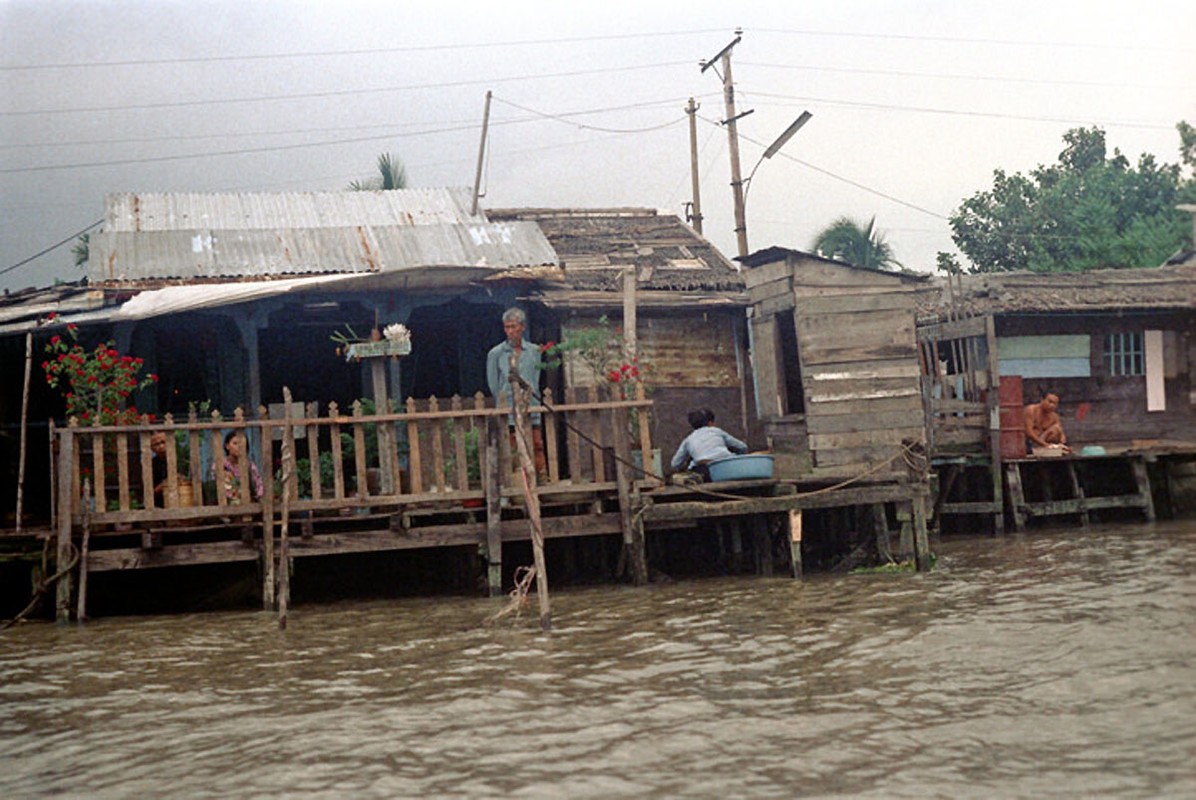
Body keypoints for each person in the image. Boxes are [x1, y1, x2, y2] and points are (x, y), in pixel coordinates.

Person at [485, 307, 547, 477]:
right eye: (507, 327)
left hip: (531, 405)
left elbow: (535, 378)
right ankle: (516, 479)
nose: (510, 331)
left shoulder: (534, 351)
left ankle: (541, 477)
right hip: (509, 408)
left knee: (537, 443)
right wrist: (504, 400)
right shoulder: (496, 353)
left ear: (522, 327)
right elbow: (493, 384)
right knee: (513, 445)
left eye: (513, 327)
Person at [671, 408, 749, 481]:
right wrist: (738, 457)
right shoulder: (717, 431)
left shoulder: (688, 440)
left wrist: (684, 465)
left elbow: (675, 464)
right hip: (727, 468)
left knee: (693, 466)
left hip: (704, 472)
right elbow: (743, 447)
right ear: (710, 423)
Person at [217, 430, 263, 503]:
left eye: (242, 444)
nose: (239, 447)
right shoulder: (220, 465)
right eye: (235, 443)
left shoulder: (250, 466)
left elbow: (258, 484)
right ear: (227, 446)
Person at [150, 431, 170, 507]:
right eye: (156, 444)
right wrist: (162, 486)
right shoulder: (151, 465)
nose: (161, 446)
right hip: (159, 504)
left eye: (163, 442)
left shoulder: (181, 460)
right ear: (152, 448)